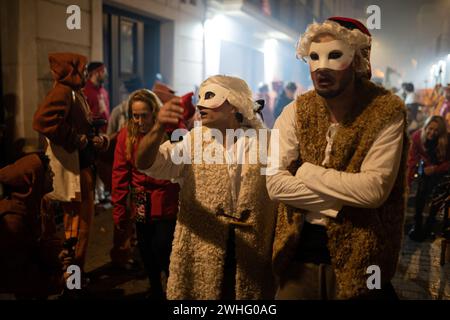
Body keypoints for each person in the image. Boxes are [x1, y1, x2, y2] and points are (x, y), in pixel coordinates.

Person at [266, 17, 408, 300]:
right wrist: (349, 198)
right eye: (314, 58)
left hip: (363, 258)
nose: (321, 68)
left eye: (335, 56)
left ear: (357, 61)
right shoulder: (295, 111)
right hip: (297, 257)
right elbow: (275, 185)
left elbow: (373, 191)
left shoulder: (386, 112)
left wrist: (304, 171)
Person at [135, 75, 276, 299]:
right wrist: (158, 127)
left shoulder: (267, 143)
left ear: (235, 103)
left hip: (253, 256)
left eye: (209, 96)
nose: (200, 103)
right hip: (204, 253)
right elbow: (146, 164)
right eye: (200, 96)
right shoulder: (193, 141)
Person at [33, 53, 109, 282]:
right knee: (77, 225)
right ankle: (72, 278)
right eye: (83, 69)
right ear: (72, 70)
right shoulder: (64, 91)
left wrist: (91, 136)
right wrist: (76, 139)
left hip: (81, 165)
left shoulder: (73, 92)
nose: (86, 73)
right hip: (74, 168)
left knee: (79, 223)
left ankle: (74, 275)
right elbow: (42, 121)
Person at [112, 89, 180, 299]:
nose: (139, 120)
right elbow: (120, 173)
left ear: (154, 112)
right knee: (145, 248)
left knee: (163, 247)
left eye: (144, 115)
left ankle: (173, 286)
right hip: (141, 199)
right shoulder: (126, 134)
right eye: (135, 115)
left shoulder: (171, 130)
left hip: (166, 196)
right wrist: (119, 208)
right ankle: (155, 288)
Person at [0, 153, 63, 298]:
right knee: (68, 276)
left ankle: (74, 291)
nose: (53, 174)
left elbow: (48, 237)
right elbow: (18, 272)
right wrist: (57, 282)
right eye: (48, 171)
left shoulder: (41, 202)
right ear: (34, 178)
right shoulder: (12, 218)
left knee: (73, 267)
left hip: (35, 266)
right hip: (18, 281)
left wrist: (59, 253)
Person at [407, 116, 450, 241]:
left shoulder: (447, 141)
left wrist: (435, 169)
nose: (432, 133)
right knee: (420, 196)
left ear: (441, 132)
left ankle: (429, 226)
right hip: (424, 171)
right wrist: (408, 183)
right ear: (425, 127)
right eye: (430, 129)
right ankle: (417, 225)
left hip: (442, 173)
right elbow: (412, 161)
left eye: (436, 131)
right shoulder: (417, 137)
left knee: (436, 200)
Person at [83, 61, 110, 130]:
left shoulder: (104, 92)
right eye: (103, 71)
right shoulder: (85, 92)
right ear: (96, 73)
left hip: (106, 131)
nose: (106, 75)